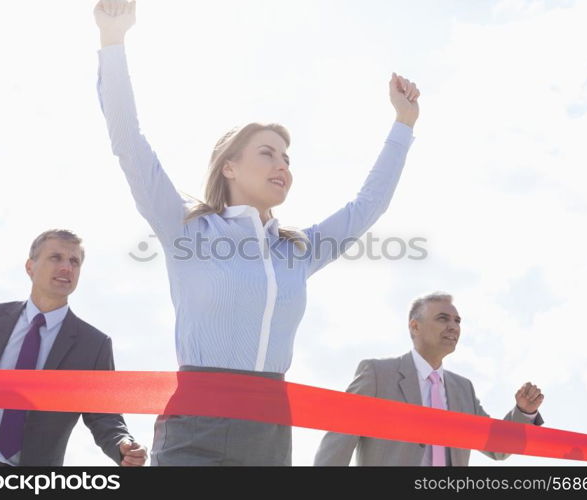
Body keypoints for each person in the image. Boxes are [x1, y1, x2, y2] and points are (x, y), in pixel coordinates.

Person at [94, 0, 419, 466]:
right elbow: (129, 143)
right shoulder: (187, 228)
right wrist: (112, 41)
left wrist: (403, 125)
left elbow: (368, 206)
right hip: (195, 424)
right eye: (268, 153)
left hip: (269, 430)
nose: (282, 165)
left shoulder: (298, 251)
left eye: (287, 158)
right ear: (229, 166)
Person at [0, 229, 147, 467]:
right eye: (56, 257)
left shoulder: (93, 345)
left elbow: (104, 415)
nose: (67, 267)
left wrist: (123, 444)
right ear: (30, 267)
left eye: (74, 261)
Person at [314, 292, 545, 466]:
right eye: (443, 319)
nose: (453, 327)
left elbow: (497, 447)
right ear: (415, 326)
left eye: (457, 321)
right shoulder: (377, 374)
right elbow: (337, 444)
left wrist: (523, 412)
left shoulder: (463, 389)